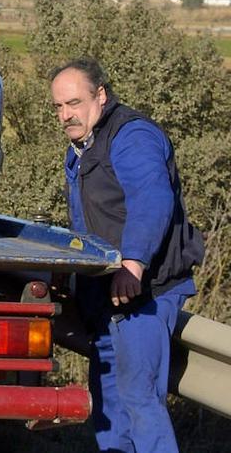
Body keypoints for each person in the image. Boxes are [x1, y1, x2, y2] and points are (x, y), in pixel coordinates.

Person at [49, 58, 204, 453]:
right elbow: (90, 221)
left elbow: (152, 198)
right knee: (109, 400)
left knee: (138, 396)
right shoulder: (83, 146)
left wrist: (132, 263)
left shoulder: (131, 136)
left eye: (74, 103)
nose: (66, 115)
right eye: (58, 107)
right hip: (105, 293)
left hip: (145, 290)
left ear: (101, 95)